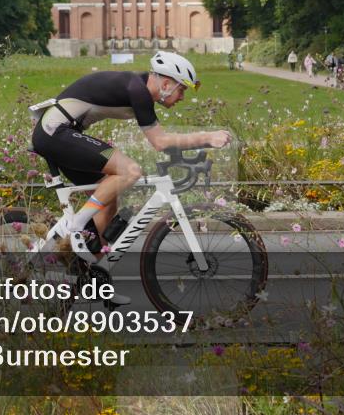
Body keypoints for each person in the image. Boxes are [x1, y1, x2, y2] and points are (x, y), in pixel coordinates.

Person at [30, 51, 232, 302]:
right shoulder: (138, 90)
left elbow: (161, 138)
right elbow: (160, 142)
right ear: (166, 84)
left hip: (61, 134)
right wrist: (207, 137)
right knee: (131, 171)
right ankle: (75, 226)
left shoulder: (139, 88)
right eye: (182, 90)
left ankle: (92, 276)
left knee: (108, 200)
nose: (182, 97)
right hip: (54, 133)